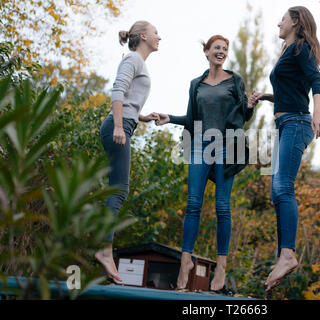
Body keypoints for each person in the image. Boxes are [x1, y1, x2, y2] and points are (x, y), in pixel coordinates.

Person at [153, 35, 254, 291]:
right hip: (199, 145)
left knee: (222, 206)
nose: (221, 52)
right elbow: (192, 118)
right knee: (193, 204)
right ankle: (185, 260)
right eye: (216, 48)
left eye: (225, 49)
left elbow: (243, 114)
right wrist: (170, 118)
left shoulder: (235, 80)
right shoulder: (196, 84)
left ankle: (221, 265)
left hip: (226, 147)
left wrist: (250, 106)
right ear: (207, 52)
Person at [249, 6, 320, 292]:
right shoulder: (288, 51)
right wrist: (267, 96)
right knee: (276, 190)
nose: (277, 23)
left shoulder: (301, 49)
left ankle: (288, 254)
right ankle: (285, 254)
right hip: (286, 124)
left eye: (282, 18)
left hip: (297, 123)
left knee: (283, 187)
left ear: (295, 21)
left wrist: (318, 114)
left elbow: (317, 83)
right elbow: (291, 89)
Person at [94, 21, 161, 284]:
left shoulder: (138, 61)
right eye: (156, 33)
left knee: (117, 189)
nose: (159, 37)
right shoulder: (132, 58)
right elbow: (118, 91)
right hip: (117, 127)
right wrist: (120, 125)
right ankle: (104, 249)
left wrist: (141, 117)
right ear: (143, 36)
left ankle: (104, 247)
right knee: (119, 190)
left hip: (124, 125)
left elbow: (129, 98)